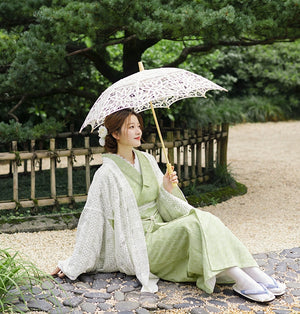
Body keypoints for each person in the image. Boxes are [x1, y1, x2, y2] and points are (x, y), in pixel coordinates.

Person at [52, 108, 285, 303]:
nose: (137, 131)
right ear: (114, 133)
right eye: (130, 126)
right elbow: (93, 219)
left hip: (161, 229)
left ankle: (251, 271)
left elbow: (162, 201)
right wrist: (73, 264)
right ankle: (242, 279)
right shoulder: (106, 174)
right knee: (191, 227)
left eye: (138, 125)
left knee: (207, 219)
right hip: (139, 242)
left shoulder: (147, 159)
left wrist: (166, 187)